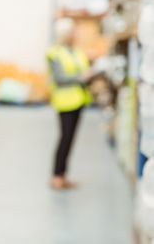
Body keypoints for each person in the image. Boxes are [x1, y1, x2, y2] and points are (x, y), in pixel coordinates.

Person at [47, 18, 93, 190]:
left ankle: (63, 175)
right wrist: (81, 77)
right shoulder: (54, 53)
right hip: (65, 102)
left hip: (79, 100)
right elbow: (59, 78)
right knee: (65, 138)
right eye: (73, 31)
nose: (76, 34)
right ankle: (56, 176)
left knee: (70, 139)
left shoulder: (76, 52)